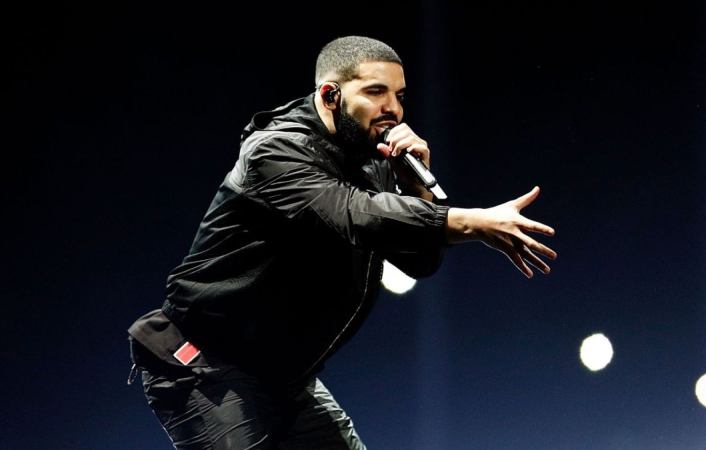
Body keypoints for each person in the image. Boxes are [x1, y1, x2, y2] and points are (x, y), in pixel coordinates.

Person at [127, 35, 557, 449]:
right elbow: (353, 214)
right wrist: (471, 220)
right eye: (375, 92)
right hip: (206, 361)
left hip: (284, 373)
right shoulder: (275, 151)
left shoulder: (373, 158)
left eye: (399, 96)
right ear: (330, 95)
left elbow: (420, 262)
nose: (393, 109)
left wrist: (416, 190)